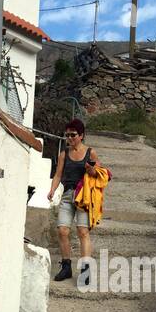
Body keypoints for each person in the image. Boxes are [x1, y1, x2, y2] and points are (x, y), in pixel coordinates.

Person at [48, 119, 100, 281]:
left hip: (84, 197)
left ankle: (85, 270)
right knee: (62, 230)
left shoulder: (90, 152)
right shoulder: (64, 154)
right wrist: (52, 189)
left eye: (73, 135)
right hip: (67, 195)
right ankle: (66, 267)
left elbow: (99, 174)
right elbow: (58, 174)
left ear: (81, 135)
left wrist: (92, 170)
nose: (70, 138)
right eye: (67, 135)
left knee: (82, 232)